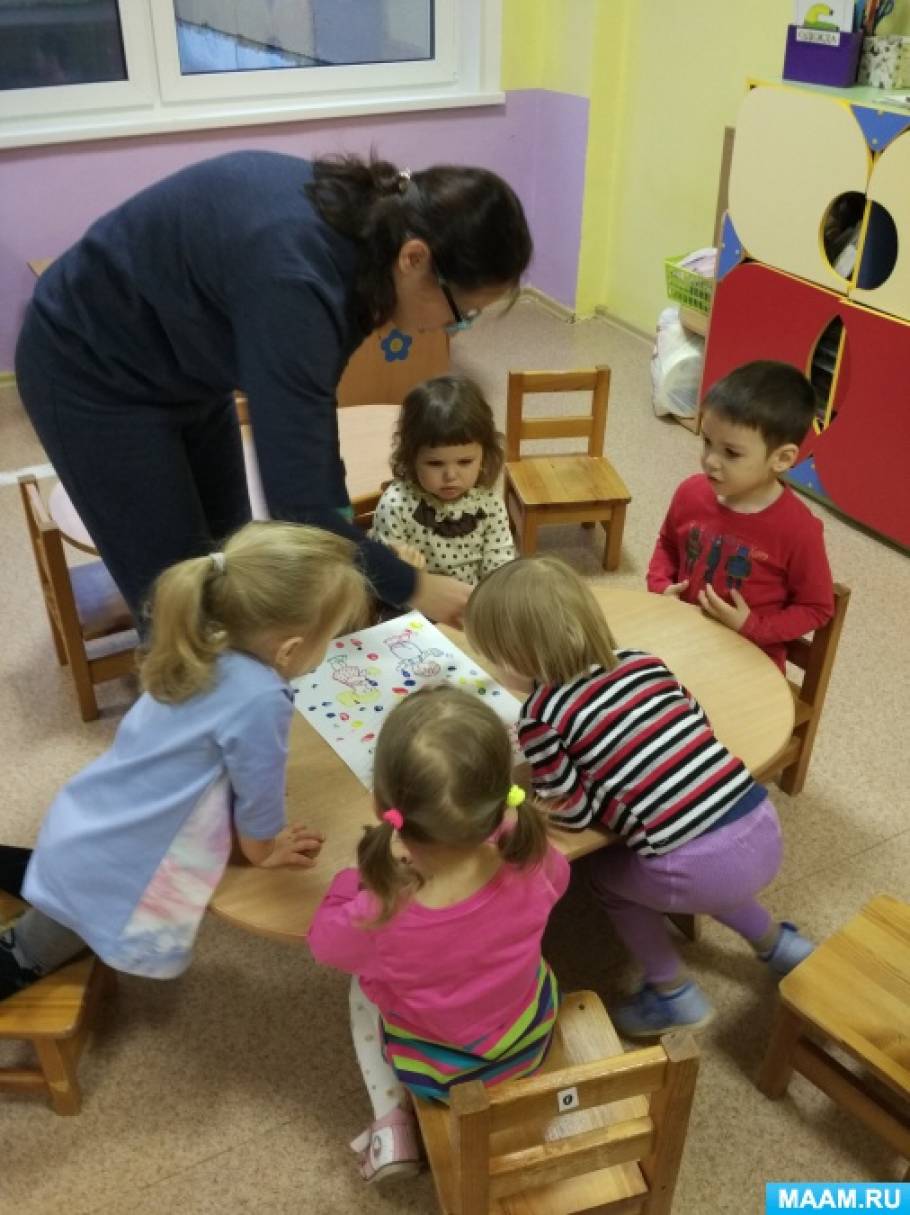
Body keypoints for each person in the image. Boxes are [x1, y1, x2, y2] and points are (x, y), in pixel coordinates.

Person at [15, 151, 533, 626]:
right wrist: (413, 586)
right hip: (89, 368)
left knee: (235, 564)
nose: (454, 328)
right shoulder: (298, 283)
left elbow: (313, 449)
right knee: (182, 607)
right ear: (415, 258)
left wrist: (353, 542)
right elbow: (300, 507)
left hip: (186, 362)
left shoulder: (372, 238)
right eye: (462, 312)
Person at [0, 521, 367, 1000]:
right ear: (291, 649)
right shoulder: (262, 697)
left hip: (85, 816)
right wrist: (264, 850)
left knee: (56, 875)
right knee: (34, 945)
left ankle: (38, 877)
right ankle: (23, 950)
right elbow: (259, 795)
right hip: (110, 866)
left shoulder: (203, 641)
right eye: (330, 637)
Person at [465, 556, 814, 1039]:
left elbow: (572, 812)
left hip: (693, 866)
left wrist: (531, 795)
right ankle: (779, 945)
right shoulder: (642, 661)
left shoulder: (542, 714)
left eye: (494, 658)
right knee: (715, 876)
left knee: (606, 880)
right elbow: (699, 722)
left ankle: (672, 992)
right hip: (761, 824)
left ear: (518, 658)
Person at [308, 686, 568, 1183]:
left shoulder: (379, 912)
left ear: (382, 807)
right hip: (531, 1036)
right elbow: (560, 881)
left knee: (361, 992)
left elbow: (323, 943)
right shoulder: (530, 859)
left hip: (442, 1076)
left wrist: (349, 884)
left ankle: (392, 1119)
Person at [647, 360, 834, 671]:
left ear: (782, 458)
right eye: (707, 442)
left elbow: (816, 608)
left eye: (731, 453)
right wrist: (660, 588)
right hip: (682, 641)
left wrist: (753, 626)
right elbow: (667, 544)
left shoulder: (799, 530)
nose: (710, 461)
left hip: (748, 663)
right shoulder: (690, 493)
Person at [369, 374, 515, 585]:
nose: (451, 476)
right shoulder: (395, 504)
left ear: (484, 455)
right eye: (435, 463)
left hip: (474, 599)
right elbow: (381, 578)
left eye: (465, 462)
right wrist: (403, 569)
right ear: (411, 458)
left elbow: (499, 566)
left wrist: (488, 596)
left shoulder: (489, 502)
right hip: (416, 597)